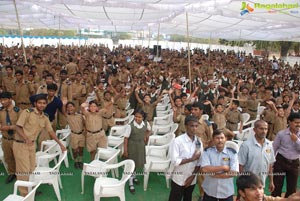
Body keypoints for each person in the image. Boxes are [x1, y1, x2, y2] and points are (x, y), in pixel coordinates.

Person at [13, 94, 66, 196]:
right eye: (39, 103)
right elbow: (18, 127)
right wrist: (26, 138)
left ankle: (31, 188)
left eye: (44, 103)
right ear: (35, 103)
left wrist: (60, 144)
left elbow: (51, 132)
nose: (42, 105)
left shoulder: (44, 117)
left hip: (32, 145)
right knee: (23, 170)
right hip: (20, 145)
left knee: (32, 168)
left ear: (46, 104)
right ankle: (25, 194)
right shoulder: (27, 113)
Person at [168, 115, 203, 201]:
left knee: (188, 197)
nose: (194, 128)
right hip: (178, 178)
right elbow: (175, 161)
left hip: (191, 178)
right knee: (175, 198)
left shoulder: (198, 142)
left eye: (196, 126)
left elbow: (199, 162)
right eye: (191, 126)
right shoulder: (178, 141)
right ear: (186, 126)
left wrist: (192, 177)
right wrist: (191, 159)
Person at [201, 129, 239, 201]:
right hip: (210, 191)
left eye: (222, 138)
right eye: (217, 138)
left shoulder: (232, 153)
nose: (220, 140)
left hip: (226, 192)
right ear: (213, 139)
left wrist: (215, 175)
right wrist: (224, 167)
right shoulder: (207, 152)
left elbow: (234, 172)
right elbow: (204, 169)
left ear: (226, 139)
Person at [238, 120, 275, 190]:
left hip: (262, 182)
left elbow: (270, 165)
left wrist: (271, 181)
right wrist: (241, 184)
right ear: (254, 130)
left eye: (266, 129)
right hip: (248, 183)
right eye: (261, 128)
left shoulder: (269, 145)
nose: (264, 131)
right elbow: (241, 166)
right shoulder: (246, 145)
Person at [272, 112, 300, 198]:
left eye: (299, 123)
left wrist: (297, 140)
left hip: (294, 163)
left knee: (292, 188)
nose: (298, 125)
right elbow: (274, 148)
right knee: (277, 186)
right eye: (296, 122)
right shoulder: (281, 134)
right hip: (281, 161)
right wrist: (271, 162)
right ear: (289, 122)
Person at [123, 109, 151, 194]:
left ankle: (133, 176)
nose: (137, 118)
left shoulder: (146, 124)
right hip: (132, 146)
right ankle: (130, 183)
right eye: (136, 116)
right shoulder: (130, 126)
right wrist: (125, 150)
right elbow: (126, 138)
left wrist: (146, 137)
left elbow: (148, 130)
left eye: (139, 117)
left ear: (143, 117)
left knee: (137, 163)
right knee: (132, 164)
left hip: (141, 146)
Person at [0, 92, 21, 184]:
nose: (3, 102)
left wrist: (9, 127)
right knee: (8, 157)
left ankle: (21, 174)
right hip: (5, 139)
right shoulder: (1, 111)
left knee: (18, 158)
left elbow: (21, 125)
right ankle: (12, 173)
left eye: (5, 99)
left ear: (10, 99)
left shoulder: (18, 110)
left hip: (16, 139)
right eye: (1, 100)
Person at [62, 98, 85, 169]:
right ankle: (76, 161)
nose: (69, 108)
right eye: (68, 107)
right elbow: (63, 112)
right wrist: (64, 104)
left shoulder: (80, 115)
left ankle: (80, 161)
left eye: (71, 106)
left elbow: (84, 124)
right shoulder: (68, 116)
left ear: (74, 107)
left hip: (81, 135)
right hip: (74, 135)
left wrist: (85, 130)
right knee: (75, 150)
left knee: (81, 149)